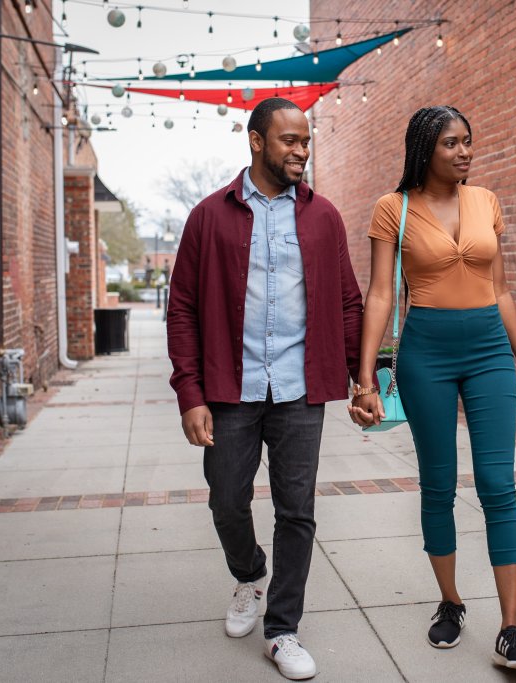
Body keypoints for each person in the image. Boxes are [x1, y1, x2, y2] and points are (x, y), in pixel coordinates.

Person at [167, 97, 364, 681]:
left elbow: (349, 301)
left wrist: (363, 377)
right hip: (231, 387)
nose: (301, 151)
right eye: (289, 141)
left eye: (306, 141)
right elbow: (182, 308)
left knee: (296, 511)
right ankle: (250, 573)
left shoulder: (324, 216)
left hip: (301, 388)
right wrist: (191, 392)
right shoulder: (208, 216)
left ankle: (282, 629)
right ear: (256, 142)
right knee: (226, 498)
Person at [350, 105, 516, 671]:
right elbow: (381, 295)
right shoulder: (394, 209)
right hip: (426, 354)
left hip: (488, 350)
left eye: (468, 141)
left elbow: (501, 288)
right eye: (452, 144)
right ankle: (452, 602)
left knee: (496, 483)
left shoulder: (485, 201)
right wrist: (366, 376)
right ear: (425, 149)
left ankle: (511, 629)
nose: (465, 152)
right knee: (437, 485)